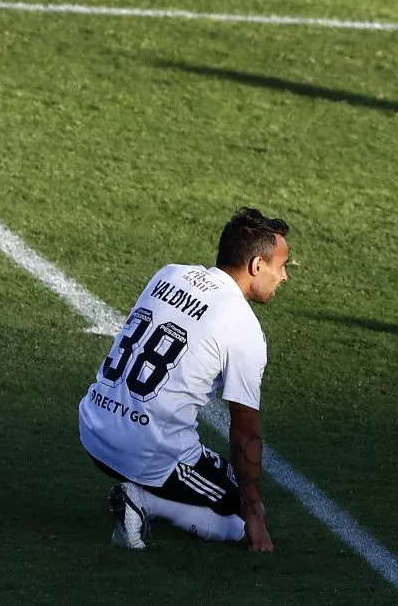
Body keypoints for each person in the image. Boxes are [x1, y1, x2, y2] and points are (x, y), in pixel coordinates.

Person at [78, 207, 291, 551]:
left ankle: (145, 490)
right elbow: (245, 429)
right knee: (242, 517)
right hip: (142, 449)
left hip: (91, 425)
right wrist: (252, 513)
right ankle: (142, 501)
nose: (284, 277)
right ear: (256, 266)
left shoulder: (169, 274)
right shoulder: (244, 327)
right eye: (280, 266)